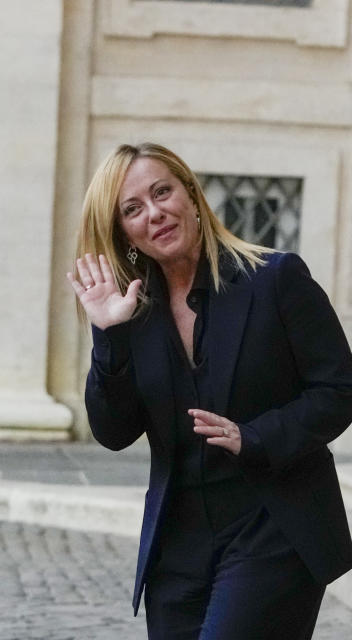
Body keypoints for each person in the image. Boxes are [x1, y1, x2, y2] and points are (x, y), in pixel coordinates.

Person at [67, 142, 352, 639]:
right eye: (132, 209)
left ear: (191, 194)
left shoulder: (276, 279)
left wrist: (256, 436)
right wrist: (108, 336)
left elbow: (338, 388)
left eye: (162, 192)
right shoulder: (133, 310)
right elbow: (113, 432)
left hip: (274, 524)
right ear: (123, 233)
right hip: (177, 545)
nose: (154, 213)